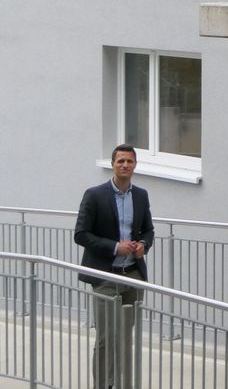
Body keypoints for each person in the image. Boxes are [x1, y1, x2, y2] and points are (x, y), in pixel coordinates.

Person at [74, 144, 154, 389]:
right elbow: (80, 234)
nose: (125, 165)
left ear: (135, 165)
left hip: (132, 276)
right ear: (112, 164)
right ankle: (103, 384)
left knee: (125, 337)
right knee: (107, 338)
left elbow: (149, 230)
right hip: (105, 277)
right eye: (120, 161)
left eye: (129, 161)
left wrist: (143, 245)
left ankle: (122, 384)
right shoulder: (95, 194)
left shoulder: (140, 195)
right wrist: (113, 247)